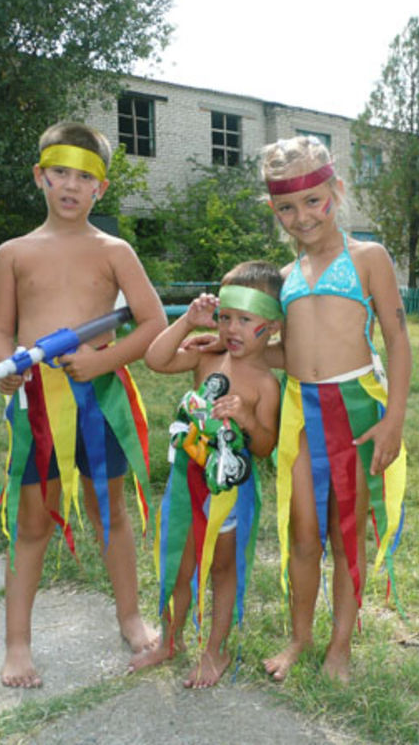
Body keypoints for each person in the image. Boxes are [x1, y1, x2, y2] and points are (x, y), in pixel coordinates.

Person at [0, 121, 166, 688]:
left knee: (110, 511)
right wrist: (7, 366)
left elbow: (152, 323)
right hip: (37, 401)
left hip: (100, 398)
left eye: (84, 177)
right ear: (40, 176)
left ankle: (131, 618)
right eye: (60, 172)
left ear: (100, 188)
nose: (70, 185)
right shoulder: (13, 253)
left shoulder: (115, 251)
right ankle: (17, 644)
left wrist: (103, 363)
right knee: (33, 520)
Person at [260, 136, 411, 683]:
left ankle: (339, 648)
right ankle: (299, 638)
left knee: (348, 532)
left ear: (337, 191)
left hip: (355, 412)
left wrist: (393, 419)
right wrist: (238, 349)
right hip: (302, 416)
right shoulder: (285, 277)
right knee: (303, 535)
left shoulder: (368, 258)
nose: (302, 217)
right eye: (286, 208)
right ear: (274, 210)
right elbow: (288, 353)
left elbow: (397, 339)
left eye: (313, 201)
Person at [131, 261, 282, 688]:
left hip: (227, 490)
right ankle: (169, 640)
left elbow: (265, 446)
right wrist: (187, 321)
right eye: (225, 317)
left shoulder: (266, 384)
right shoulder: (208, 355)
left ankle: (216, 650)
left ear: (271, 326)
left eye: (245, 320)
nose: (232, 329)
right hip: (186, 478)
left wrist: (247, 418)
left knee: (221, 568)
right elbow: (156, 359)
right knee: (177, 563)